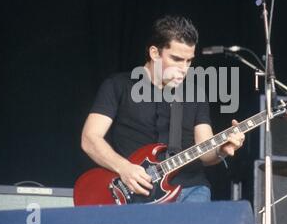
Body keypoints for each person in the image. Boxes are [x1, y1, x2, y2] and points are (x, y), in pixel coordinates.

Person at [80, 15, 245, 203]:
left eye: (189, 61)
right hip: (135, 191)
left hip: (190, 189)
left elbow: (206, 153)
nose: (184, 68)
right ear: (154, 53)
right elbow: (90, 138)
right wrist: (123, 168)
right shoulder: (118, 86)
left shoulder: (195, 95)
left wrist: (222, 149)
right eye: (176, 59)